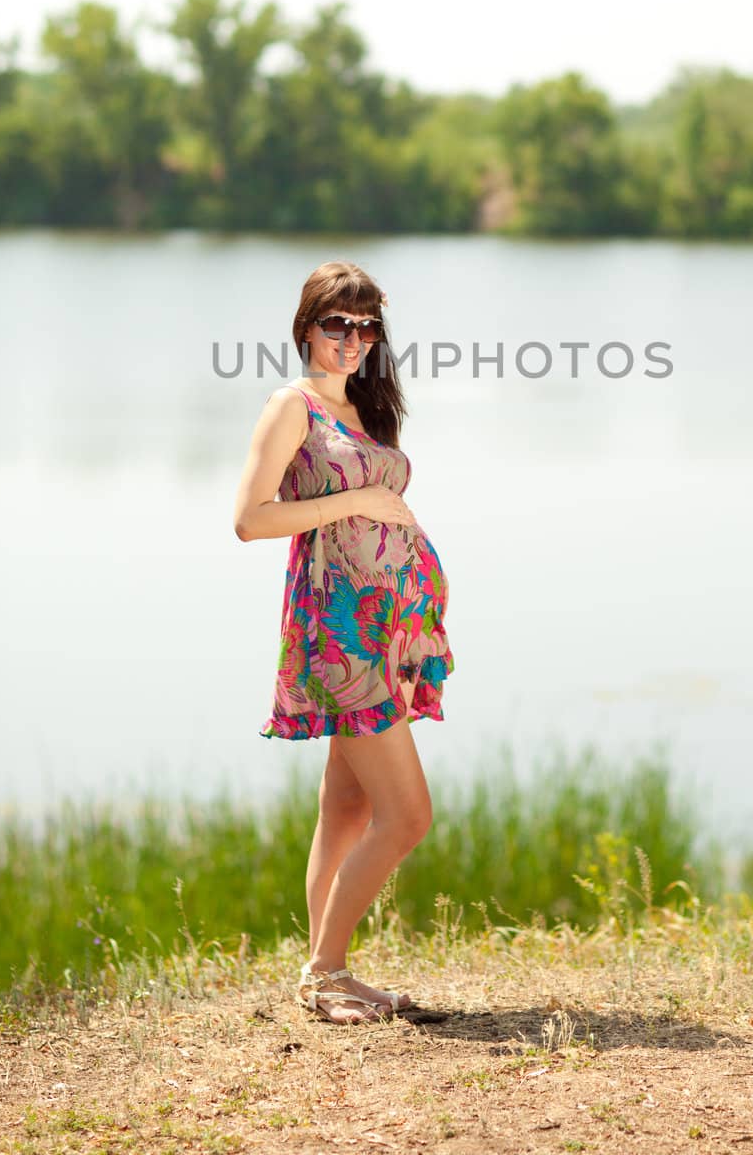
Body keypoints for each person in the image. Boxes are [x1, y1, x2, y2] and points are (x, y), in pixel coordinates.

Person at [233, 260, 455, 1024]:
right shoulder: (289, 407)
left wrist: (418, 608)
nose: (354, 339)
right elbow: (250, 518)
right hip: (338, 638)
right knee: (408, 815)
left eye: (366, 326)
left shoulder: (363, 409)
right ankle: (323, 972)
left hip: (382, 634)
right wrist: (360, 497)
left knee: (347, 810)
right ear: (306, 330)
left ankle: (327, 970)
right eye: (338, 325)